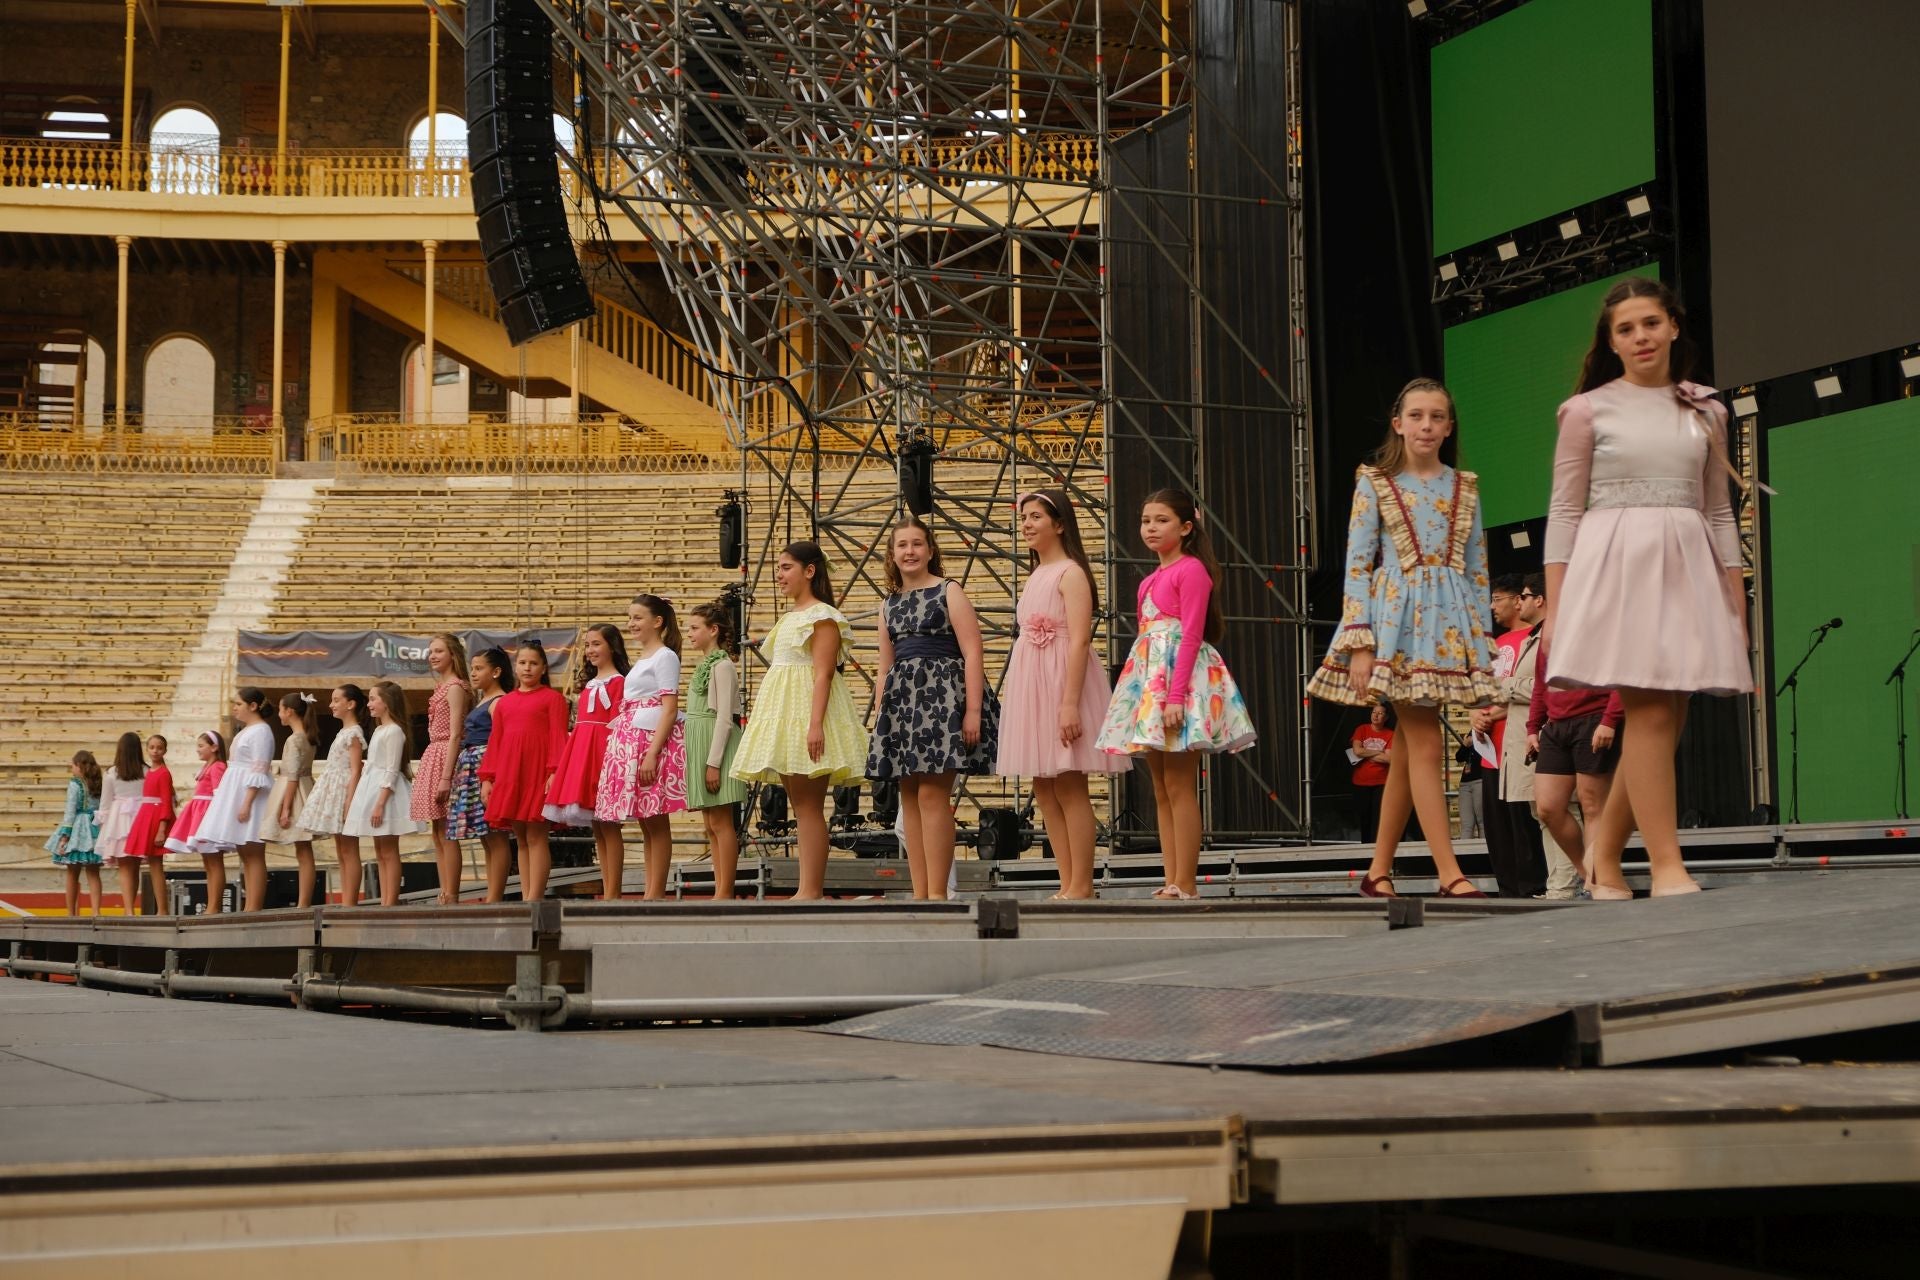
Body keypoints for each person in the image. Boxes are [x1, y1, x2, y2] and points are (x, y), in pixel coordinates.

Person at [1545, 277, 1749, 898]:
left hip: (1688, 567)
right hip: (1620, 567)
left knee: (1665, 717)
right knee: (1652, 711)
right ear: (1611, 341)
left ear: (1674, 326)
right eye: (1626, 329)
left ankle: (1604, 860)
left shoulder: (1706, 410)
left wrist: (1733, 597)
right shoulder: (1587, 410)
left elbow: (1718, 512)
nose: (1641, 337)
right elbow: (1562, 511)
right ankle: (1667, 867)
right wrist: (1556, 607)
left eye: (1650, 324)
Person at [1306, 378, 1499, 899]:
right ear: (1398, 423)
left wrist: (1483, 642)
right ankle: (1448, 872)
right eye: (1416, 416)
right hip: (1397, 623)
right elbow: (1357, 565)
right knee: (1426, 740)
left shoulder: (1465, 486)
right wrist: (1360, 642)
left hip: (1448, 621)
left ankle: (1378, 872)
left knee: (1413, 749)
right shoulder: (1375, 482)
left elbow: (1478, 568)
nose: (1427, 426)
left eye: (1437, 417)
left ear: (1449, 426)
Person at [1097, 488, 1257, 900]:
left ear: (1186, 527)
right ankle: (1171, 877)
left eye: (1162, 520)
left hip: (1176, 684)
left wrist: (1174, 697)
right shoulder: (1150, 579)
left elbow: (1190, 636)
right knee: (1161, 787)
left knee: (1181, 784)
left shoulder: (1191, 571)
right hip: (1151, 680)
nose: (1151, 527)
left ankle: (1186, 882)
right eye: (1146, 520)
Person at [996, 489, 1127, 900]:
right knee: (1044, 787)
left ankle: (1083, 884)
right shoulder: (1036, 574)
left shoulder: (1071, 573)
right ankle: (1066, 880)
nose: (1028, 525)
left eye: (1036, 516)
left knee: (1070, 786)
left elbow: (1078, 641)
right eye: (1024, 518)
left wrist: (1069, 703)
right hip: (1033, 685)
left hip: (1061, 685)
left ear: (1060, 524)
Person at [866, 514, 1002, 900]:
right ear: (892, 554)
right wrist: (881, 712)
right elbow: (884, 663)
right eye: (902, 545)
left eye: (917, 544)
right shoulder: (888, 604)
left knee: (930, 795)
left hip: (943, 700)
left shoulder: (948, 590)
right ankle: (922, 892)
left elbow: (973, 651)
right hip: (902, 702)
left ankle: (940, 893)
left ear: (929, 550)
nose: (910, 551)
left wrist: (972, 710)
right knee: (909, 797)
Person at [730, 542, 869, 901]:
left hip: (806, 714)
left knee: (808, 806)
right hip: (784, 714)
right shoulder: (790, 616)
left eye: (787, 567)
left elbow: (823, 674)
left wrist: (815, 724)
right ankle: (806, 887)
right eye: (778, 567)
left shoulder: (823, 616)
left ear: (810, 571)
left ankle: (811, 890)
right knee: (800, 805)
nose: (779, 574)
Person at [596, 597, 688, 900]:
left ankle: (656, 891)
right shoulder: (647, 657)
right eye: (630, 617)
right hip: (632, 737)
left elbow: (669, 707)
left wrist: (652, 752)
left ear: (657, 621)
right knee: (647, 820)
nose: (631, 624)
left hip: (649, 741)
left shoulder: (664, 656)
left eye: (638, 617)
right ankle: (652, 889)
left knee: (656, 817)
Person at [1528, 623, 1624, 894]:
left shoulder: (1600, 616)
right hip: (1556, 724)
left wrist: (1610, 719)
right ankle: (1586, 871)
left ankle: (1598, 878)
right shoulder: (1551, 626)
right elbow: (1541, 681)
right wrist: (1533, 727)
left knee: (1592, 804)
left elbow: (1621, 668)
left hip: (1594, 717)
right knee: (1547, 806)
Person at [482, 642, 570, 902]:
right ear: (515, 667)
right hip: (511, 774)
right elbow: (496, 741)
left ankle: (535, 897)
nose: (527, 668)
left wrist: (555, 772)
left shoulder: (553, 699)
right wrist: (488, 777)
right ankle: (526, 896)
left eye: (533, 663)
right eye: (522, 663)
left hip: (538, 773)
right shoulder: (505, 703)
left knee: (536, 835)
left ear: (543, 668)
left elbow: (558, 736)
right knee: (520, 838)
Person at [551, 622, 632, 898]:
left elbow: (619, 723)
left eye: (596, 643)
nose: (590, 650)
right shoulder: (588, 685)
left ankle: (614, 892)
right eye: (588, 645)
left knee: (609, 826)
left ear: (612, 646)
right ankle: (606, 887)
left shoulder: (620, 682)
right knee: (598, 829)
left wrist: (612, 760)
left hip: (604, 755)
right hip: (583, 754)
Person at [1482, 574, 1550, 898]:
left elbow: (1542, 692)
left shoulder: (1537, 637)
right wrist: (1475, 715)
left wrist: (1498, 711)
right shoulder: (1496, 644)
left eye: (1498, 599)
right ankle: (1507, 891)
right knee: (1498, 829)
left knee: (1527, 823)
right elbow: (1483, 690)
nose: (1493, 606)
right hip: (1489, 749)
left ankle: (1535, 887)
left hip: (1521, 742)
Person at [683, 602, 748, 900]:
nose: (689, 633)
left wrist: (713, 762)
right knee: (710, 823)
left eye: (695, 628)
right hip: (702, 744)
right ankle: (719, 885)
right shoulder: (704, 664)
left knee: (722, 823)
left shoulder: (722, 666)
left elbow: (724, 717)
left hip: (715, 747)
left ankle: (725, 890)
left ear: (713, 630)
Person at [189, 689, 276, 913]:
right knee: (245, 852)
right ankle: (249, 905)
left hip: (249, 795)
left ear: (253, 706)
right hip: (237, 791)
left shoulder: (261, 732)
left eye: (239, 704)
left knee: (253, 851)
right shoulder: (247, 731)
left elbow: (259, 767)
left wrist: (247, 802)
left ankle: (254, 907)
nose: (235, 708)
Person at [343, 681, 420, 905]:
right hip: (373, 786)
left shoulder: (395, 731)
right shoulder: (379, 729)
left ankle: (390, 901)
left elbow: (392, 769)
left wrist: (379, 803)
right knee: (380, 850)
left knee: (389, 849)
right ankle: (385, 900)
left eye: (374, 698)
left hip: (386, 794)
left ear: (387, 702)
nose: (369, 704)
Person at [448, 647, 514, 903]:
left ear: (496, 672)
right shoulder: (483, 700)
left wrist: (493, 776)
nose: (473, 674)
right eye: (472, 668)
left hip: (486, 765)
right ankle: (491, 892)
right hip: (472, 765)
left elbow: (502, 740)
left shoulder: (499, 702)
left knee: (496, 835)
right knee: (486, 837)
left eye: (479, 668)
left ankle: (495, 895)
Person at [412, 634, 473, 904]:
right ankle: (444, 889)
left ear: (452, 655)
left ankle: (453, 893)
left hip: (446, 756)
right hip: (434, 753)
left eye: (439, 651)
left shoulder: (456, 687)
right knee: (437, 830)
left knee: (447, 830)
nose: (433, 656)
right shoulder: (442, 687)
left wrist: (447, 776)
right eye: (431, 651)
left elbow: (455, 734)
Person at [303, 685, 368, 905]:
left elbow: (356, 769)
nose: (331, 704)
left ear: (350, 704)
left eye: (336, 700)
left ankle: (350, 902)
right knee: (341, 849)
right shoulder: (343, 732)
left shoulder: (354, 733)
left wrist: (349, 801)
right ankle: (346, 901)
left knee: (349, 849)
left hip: (344, 791)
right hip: (336, 790)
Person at [258, 693, 319, 908]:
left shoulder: (294, 739)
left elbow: (292, 775)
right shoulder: (308, 737)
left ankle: (303, 903)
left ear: (290, 712)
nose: (280, 714)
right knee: (304, 850)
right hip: (306, 788)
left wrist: (285, 809)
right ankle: (304, 901)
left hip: (293, 792)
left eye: (281, 710)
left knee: (302, 851)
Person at [120, 734, 176, 912]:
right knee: (153, 864)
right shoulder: (150, 771)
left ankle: (163, 909)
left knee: (156, 864)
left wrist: (161, 829)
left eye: (159, 748)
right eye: (152, 747)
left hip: (156, 818)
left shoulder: (164, 773)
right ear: (147, 749)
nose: (155, 751)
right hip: (146, 815)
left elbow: (167, 802)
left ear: (165, 750)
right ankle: (161, 909)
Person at [163, 732, 227, 879]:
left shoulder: (218, 766)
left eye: (201, 746)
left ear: (214, 747)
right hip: (201, 815)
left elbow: (220, 795)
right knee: (208, 864)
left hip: (209, 817)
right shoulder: (207, 766)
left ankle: (215, 902)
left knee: (214, 863)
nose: (197, 749)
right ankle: (212, 901)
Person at [47, 750, 102, 917]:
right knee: (93, 872)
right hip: (94, 827)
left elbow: (70, 811)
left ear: (79, 766)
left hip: (78, 829)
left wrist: (65, 835)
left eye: (73, 764)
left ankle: (71, 913)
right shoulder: (98, 782)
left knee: (72, 873)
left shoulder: (75, 784)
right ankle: (96, 912)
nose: (72, 767)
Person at [93, 731, 146, 883]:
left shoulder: (111, 772)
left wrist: (104, 826)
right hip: (140, 818)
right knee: (135, 867)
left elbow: (105, 803)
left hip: (118, 821)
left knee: (124, 866)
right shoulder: (147, 771)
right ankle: (132, 905)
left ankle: (128, 907)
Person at [1349, 703, 1394, 844]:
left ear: (1386, 717)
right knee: (1364, 817)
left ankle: (1377, 848)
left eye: (1380, 713)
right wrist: (1378, 752)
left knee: (1379, 818)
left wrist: (1365, 752)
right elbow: (1357, 751)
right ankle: (1365, 848)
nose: (1376, 715)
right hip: (1361, 782)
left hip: (1381, 782)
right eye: (1374, 712)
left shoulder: (1390, 734)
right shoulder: (1362, 729)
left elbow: (1389, 758)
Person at [1453, 736, 1486, 840]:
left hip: (1480, 780)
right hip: (1465, 783)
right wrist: (1465, 745)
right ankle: (1464, 855)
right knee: (1466, 824)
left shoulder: (1486, 732)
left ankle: (1485, 853)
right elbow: (1459, 757)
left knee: (1482, 823)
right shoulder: (1471, 732)